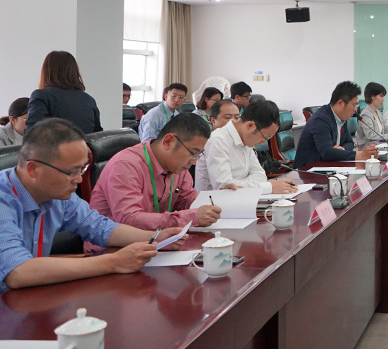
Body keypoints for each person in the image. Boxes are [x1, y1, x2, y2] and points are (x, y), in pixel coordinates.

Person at [0, 119, 186, 293]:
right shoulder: (4, 199)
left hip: (31, 295)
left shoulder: (58, 195)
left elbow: (100, 227)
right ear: (33, 169)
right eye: (71, 172)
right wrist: (114, 262)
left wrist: (154, 237)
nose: (79, 180)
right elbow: (18, 272)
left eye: (82, 169)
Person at [89, 114, 222, 234]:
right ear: (168, 141)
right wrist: (191, 217)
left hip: (155, 239)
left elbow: (187, 198)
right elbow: (129, 219)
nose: (194, 161)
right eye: (192, 153)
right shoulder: (126, 165)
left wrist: (218, 203)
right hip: (114, 246)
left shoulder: (177, 166)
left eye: (198, 155)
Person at [195, 100, 295, 194]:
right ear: (250, 126)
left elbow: (260, 175)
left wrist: (242, 184)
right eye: (265, 137)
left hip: (243, 200)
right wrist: (268, 187)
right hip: (213, 203)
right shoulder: (218, 140)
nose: (263, 142)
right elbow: (224, 186)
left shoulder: (246, 139)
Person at [293, 81, 378, 168]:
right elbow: (327, 152)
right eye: (354, 105)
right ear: (340, 103)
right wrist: (361, 155)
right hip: (307, 171)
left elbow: (349, 142)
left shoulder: (342, 117)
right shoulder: (320, 120)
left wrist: (343, 149)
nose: (356, 109)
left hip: (328, 167)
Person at [25, 51, 102, 135]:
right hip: (82, 143)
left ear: (47, 71)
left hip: (53, 143)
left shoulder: (41, 96)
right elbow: (97, 135)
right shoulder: (89, 100)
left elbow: (33, 133)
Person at [355, 82, 388, 149]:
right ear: (372, 96)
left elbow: (386, 129)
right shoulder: (366, 114)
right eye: (381, 96)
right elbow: (371, 135)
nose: (383, 100)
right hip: (366, 148)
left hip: (379, 146)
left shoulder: (378, 113)